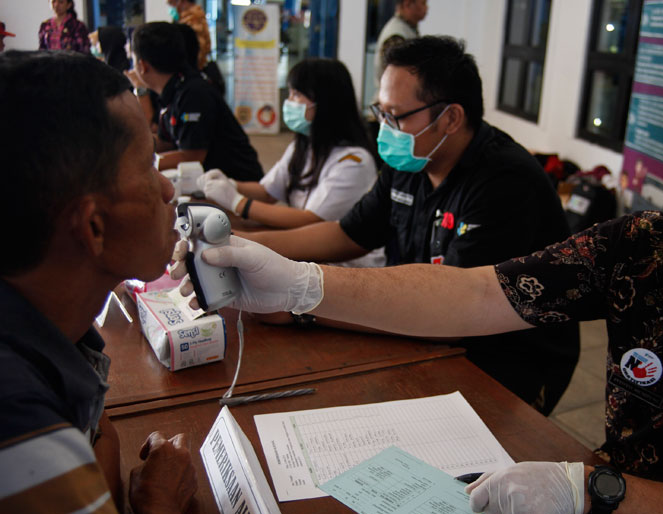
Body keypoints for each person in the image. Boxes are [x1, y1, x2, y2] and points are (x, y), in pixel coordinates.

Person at [173, 95, 663, 514]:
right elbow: (475, 293)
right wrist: (303, 286)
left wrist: (593, 488)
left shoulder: (501, 179)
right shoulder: (646, 249)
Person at [236, 36, 580, 413]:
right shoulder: (411, 161)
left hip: (506, 358)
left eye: (396, 116)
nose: (384, 128)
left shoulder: (506, 183)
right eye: (380, 112)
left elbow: (451, 311)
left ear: (450, 118)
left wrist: (300, 307)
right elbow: (347, 234)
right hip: (428, 335)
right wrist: (247, 244)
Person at [0, 50, 201, 514]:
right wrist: (161, 513)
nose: (167, 191)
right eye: (149, 167)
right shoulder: (18, 433)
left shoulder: (44, 320)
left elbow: (100, 432)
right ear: (93, 227)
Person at [199, 57, 384, 268]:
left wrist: (238, 202)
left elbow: (311, 220)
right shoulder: (304, 145)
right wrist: (231, 184)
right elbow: (268, 191)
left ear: (325, 102)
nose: (290, 102)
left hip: (344, 265)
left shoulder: (354, 161)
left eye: (297, 94)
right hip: (309, 251)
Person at [131, 21, 263, 180]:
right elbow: (165, 142)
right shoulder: (171, 90)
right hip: (208, 180)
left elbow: (192, 156)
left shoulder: (194, 93)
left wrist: (141, 163)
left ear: (142, 65)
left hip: (237, 183)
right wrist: (131, 147)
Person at [373, 0, 427, 94]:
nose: (427, 8)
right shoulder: (397, 35)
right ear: (408, 4)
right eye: (423, 3)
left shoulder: (407, 29)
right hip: (394, 99)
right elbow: (399, 77)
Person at [167, 0, 211, 70]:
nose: (172, 7)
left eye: (172, 3)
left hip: (191, 68)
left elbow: (198, 50)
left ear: (182, 2)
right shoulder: (193, 16)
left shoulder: (192, 19)